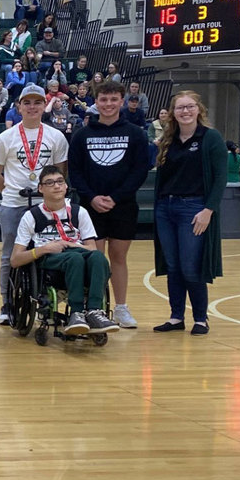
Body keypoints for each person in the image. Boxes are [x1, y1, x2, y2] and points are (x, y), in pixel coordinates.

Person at [68, 80, 149, 329]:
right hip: (91, 206)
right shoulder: (82, 135)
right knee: (94, 258)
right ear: (96, 102)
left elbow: (139, 171)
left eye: (114, 99)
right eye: (103, 100)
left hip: (123, 205)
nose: (109, 104)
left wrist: (115, 197)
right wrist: (92, 197)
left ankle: (121, 308)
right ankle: (92, 308)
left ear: (122, 101)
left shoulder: (136, 134)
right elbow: (76, 171)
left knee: (118, 258)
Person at [0, 84, 69, 325]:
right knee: (9, 254)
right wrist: (10, 192)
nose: (32, 107)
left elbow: (60, 172)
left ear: (45, 106)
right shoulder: (6, 138)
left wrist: (51, 196)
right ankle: (6, 302)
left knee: (49, 249)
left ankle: (46, 298)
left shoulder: (56, 136)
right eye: (27, 103)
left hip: (47, 206)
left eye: (37, 102)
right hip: (14, 204)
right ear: (19, 107)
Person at [10, 165, 119, 334]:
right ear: (40, 188)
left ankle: (95, 311)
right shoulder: (31, 216)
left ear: (66, 186)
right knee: (74, 260)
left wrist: (73, 244)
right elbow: (15, 259)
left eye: (60, 181)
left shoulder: (79, 212)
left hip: (77, 251)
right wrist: (44, 249)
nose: (56, 186)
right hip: (49, 258)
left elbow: (91, 247)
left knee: (98, 256)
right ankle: (76, 312)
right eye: (50, 182)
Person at [152, 92, 227, 335]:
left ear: (199, 109)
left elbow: (220, 178)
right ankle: (176, 317)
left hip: (194, 208)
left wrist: (209, 210)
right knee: (173, 264)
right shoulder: (169, 139)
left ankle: (200, 318)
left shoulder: (210, 137)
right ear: (173, 112)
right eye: (180, 108)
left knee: (190, 265)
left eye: (190, 107)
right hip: (166, 208)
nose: (185, 111)